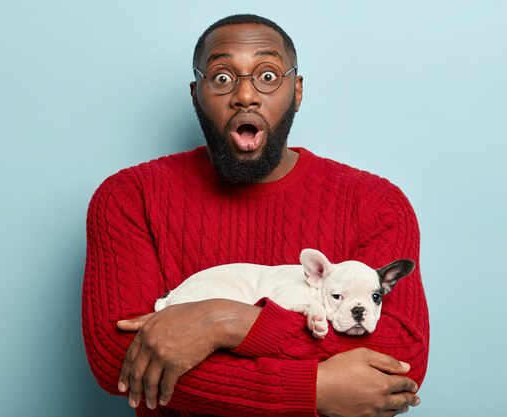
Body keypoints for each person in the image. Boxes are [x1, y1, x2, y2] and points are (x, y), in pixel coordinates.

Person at [82, 14, 429, 417]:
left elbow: (405, 358)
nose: (245, 95)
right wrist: (314, 388)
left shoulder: (376, 203)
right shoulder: (129, 197)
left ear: (297, 92)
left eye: (267, 76)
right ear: (196, 94)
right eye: (223, 78)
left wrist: (224, 322)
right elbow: (118, 359)